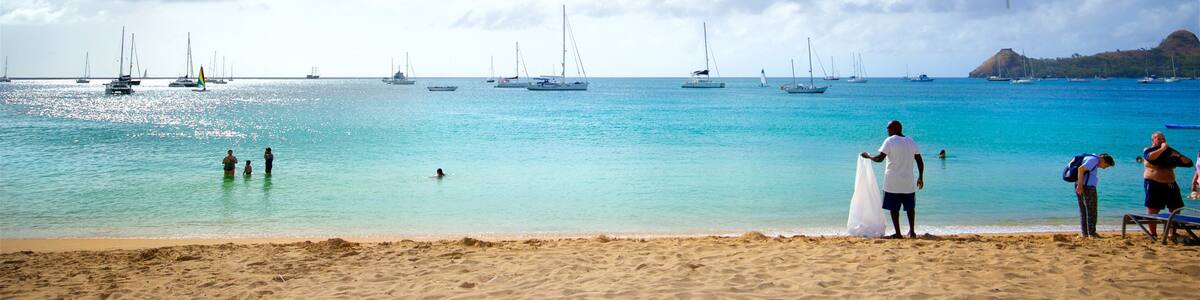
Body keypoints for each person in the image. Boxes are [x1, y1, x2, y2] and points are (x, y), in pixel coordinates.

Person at [861, 120, 925, 239]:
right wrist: (920, 177)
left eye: (888, 128)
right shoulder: (911, 141)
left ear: (894, 129)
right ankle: (912, 232)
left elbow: (880, 158)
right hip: (908, 182)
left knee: (894, 209)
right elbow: (920, 160)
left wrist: (868, 156)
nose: (887, 130)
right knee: (910, 208)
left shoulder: (890, 141)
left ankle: (898, 233)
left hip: (892, 182)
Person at [1142, 132, 1193, 238]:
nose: (1162, 140)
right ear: (1153, 140)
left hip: (1170, 184)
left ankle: (1172, 233)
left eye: (1163, 139)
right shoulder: (1148, 150)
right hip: (1154, 183)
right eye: (1159, 139)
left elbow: (1189, 163)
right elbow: (1150, 157)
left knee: (1175, 208)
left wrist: (1178, 155)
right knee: (1153, 209)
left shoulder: (1170, 152)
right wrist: (1162, 149)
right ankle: (1153, 233)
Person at [1074, 153, 1114, 238]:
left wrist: (1079, 185)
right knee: (1092, 211)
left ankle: (1085, 233)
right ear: (1103, 160)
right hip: (1087, 187)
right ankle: (1092, 233)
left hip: (1082, 186)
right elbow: (1080, 169)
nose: (1104, 168)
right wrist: (1080, 185)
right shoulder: (1094, 160)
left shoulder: (1091, 158)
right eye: (1106, 166)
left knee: (1084, 210)